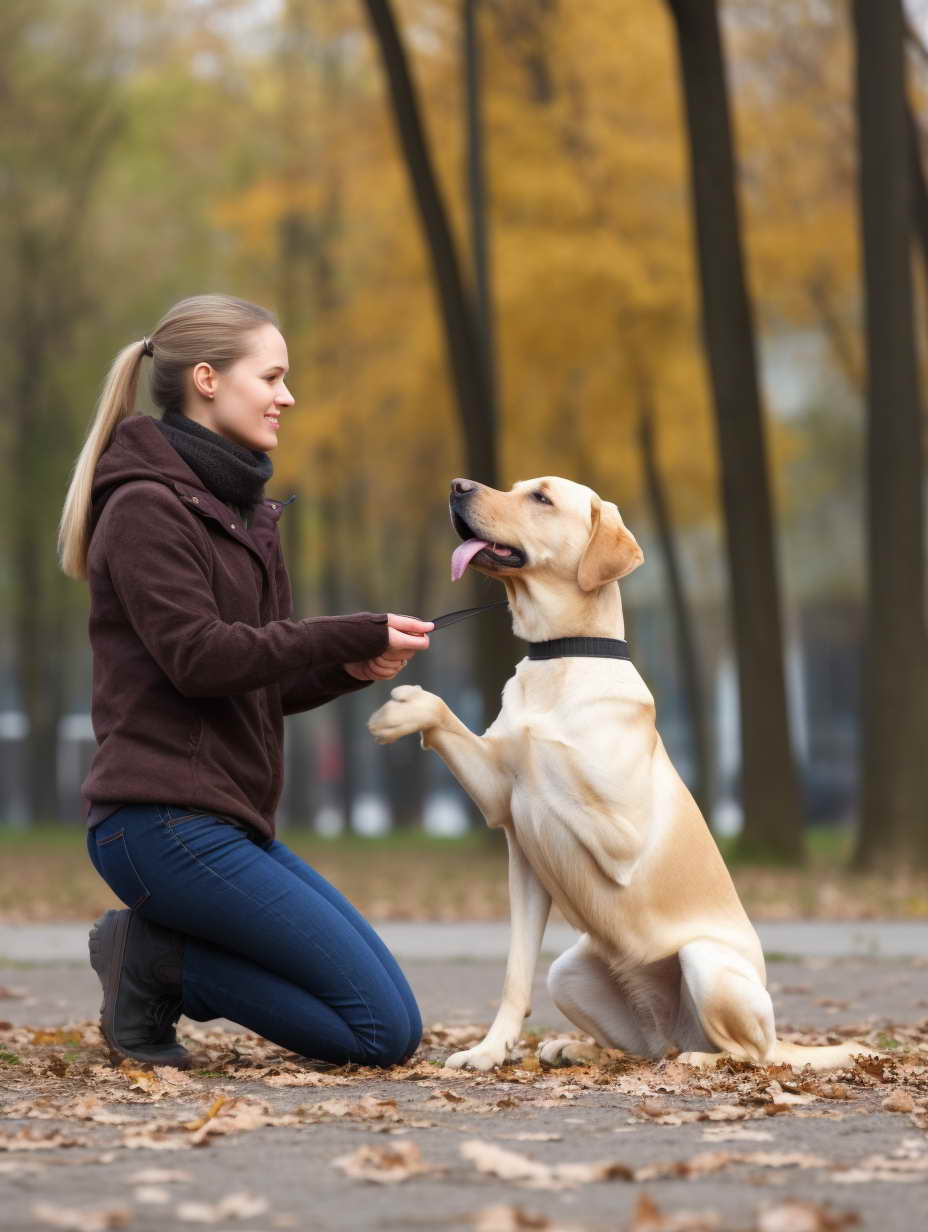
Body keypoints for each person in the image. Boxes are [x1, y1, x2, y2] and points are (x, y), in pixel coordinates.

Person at [57, 293, 433, 1071]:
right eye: (271, 377)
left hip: (223, 822)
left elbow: (251, 680)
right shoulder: (144, 510)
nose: (286, 397)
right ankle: (160, 961)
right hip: (157, 825)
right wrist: (346, 630)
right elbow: (201, 658)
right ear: (206, 379)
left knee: (392, 1012)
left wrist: (346, 667)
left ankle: (162, 954)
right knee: (380, 1033)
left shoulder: (244, 514)